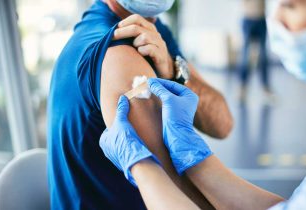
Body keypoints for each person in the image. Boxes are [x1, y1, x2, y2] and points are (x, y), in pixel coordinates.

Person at [99, 0, 306, 209]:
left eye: (291, 6)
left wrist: (141, 165)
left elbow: (224, 124)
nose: (276, 21)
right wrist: (197, 161)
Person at [47, 0, 233, 209]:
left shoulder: (152, 30)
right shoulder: (118, 52)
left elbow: (223, 124)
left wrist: (174, 72)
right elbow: (180, 197)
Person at [239, 0, 270, 101]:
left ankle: (266, 89)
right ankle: (242, 89)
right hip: (248, 18)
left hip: (261, 19)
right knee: (245, 56)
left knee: (263, 56)